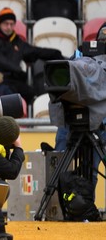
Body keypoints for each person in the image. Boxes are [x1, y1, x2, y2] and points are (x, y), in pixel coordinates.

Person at [54, 22, 106, 189]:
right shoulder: (80, 56)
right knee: (59, 168)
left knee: (90, 172)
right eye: (103, 39)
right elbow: (63, 82)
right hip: (72, 122)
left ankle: (86, 211)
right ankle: (60, 211)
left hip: (101, 124)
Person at [0, 7, 64, 104]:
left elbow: (34, 51)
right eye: (6, 23)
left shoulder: (17, 41)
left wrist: (56, 53)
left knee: (30, 93)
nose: (9, 27)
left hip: (12, 81)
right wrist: (17, 69)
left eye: (12, 24)